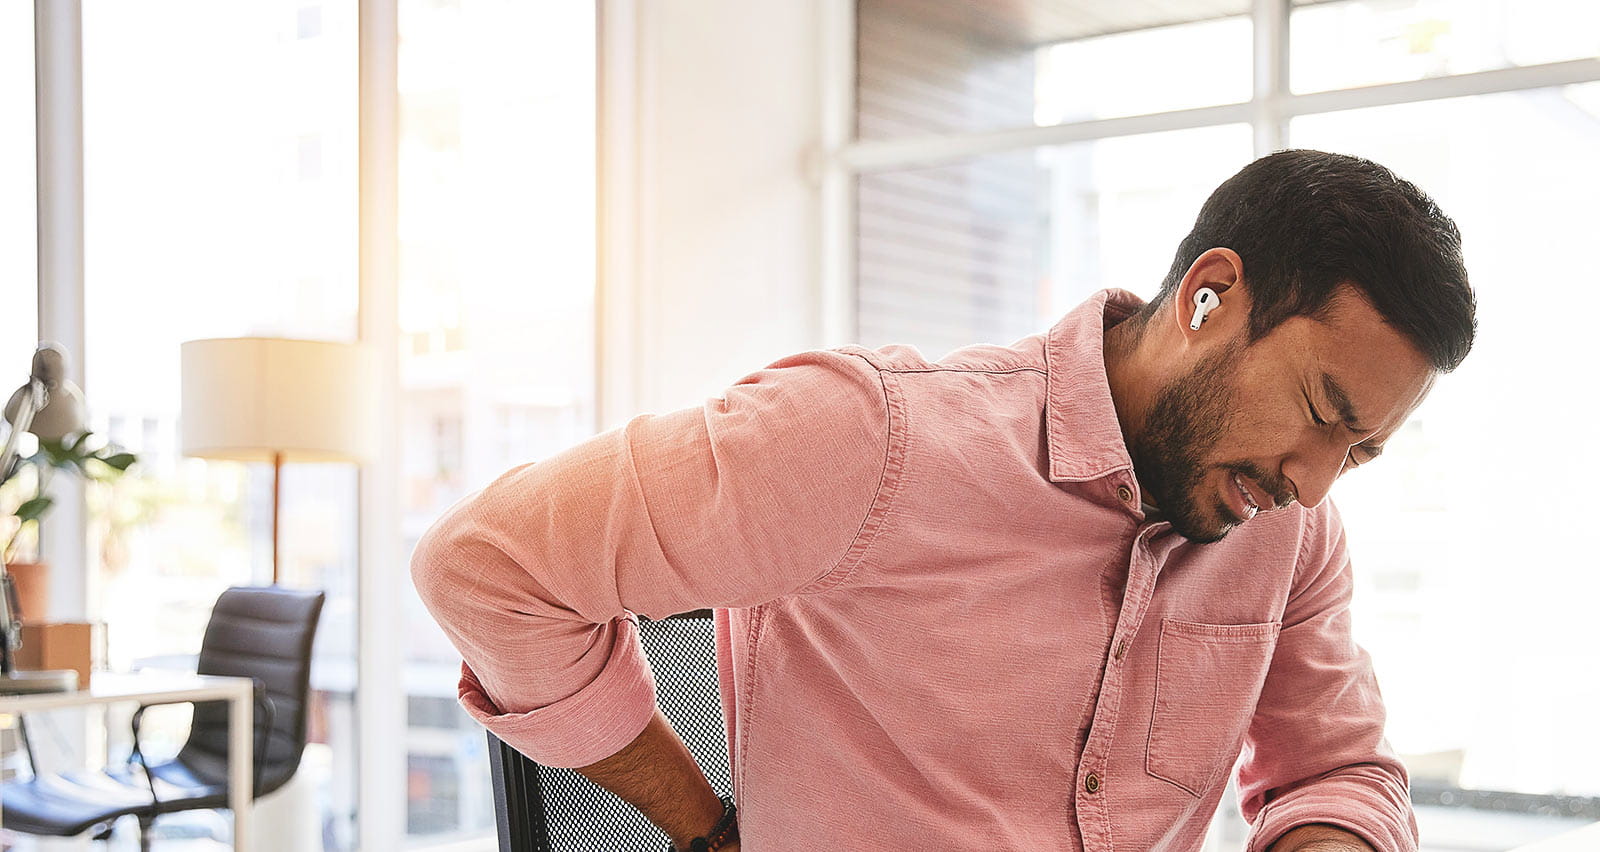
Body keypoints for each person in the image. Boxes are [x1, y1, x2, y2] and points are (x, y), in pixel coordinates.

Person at [410, 149, 1476, 851]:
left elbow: (1336, 770)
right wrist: (703, 828)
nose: (1312, 482)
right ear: (1210, 296)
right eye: (1319, 413)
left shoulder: (1291, 531)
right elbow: (486, 564)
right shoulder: (866, 439)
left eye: (1359, 453)